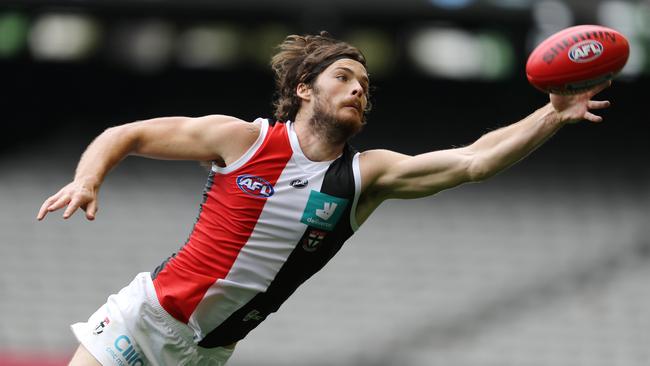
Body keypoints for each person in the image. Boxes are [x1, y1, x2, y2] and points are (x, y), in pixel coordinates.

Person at [37, 31, 612, 366]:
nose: (359, 88)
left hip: (208, 354)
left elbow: (473, 160)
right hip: (144, 320)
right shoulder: (244, 140)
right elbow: (126, 134)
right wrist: (89, 179)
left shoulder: (365, 177)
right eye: (343, 76)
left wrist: (553, 113)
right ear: (303, 89)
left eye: (365, 84)